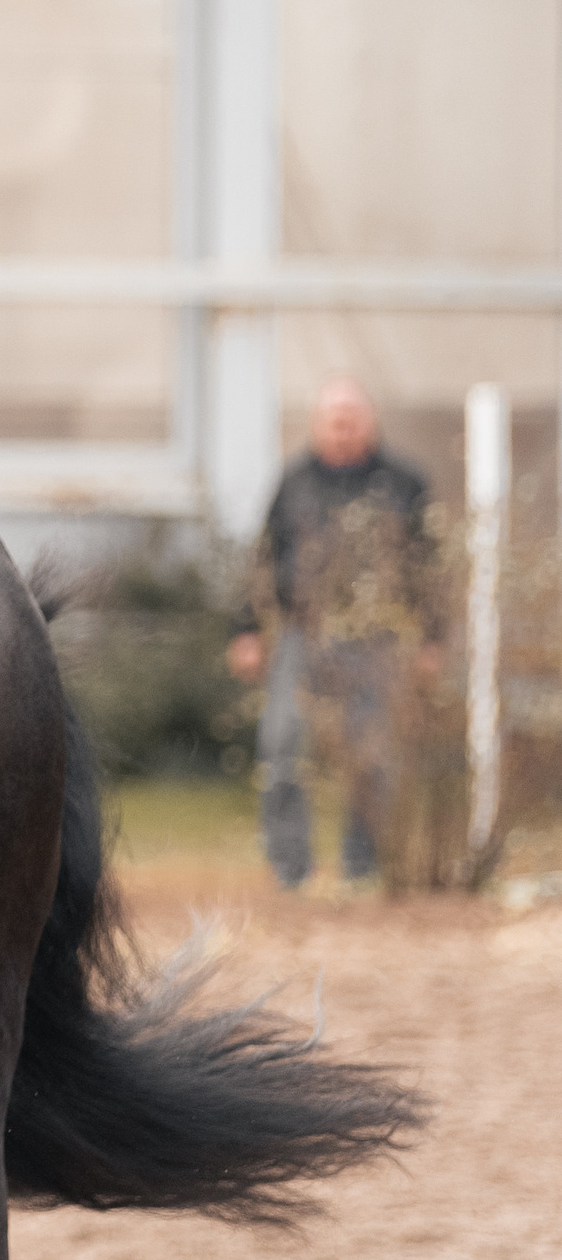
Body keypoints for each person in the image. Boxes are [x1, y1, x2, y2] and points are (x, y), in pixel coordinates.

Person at [226, 376, 443, 889]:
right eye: (334, 420)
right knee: (281, 745)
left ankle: (361, 869)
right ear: (318, 426)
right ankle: (290, 869)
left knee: (372, 757)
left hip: (376, 641)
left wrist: (433, 639)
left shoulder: (403, 483)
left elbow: (430, 568)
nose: (343, 429)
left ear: (370, 424)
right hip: (305, 636)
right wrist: (247, 630)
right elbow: (263, 557)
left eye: (351, 419)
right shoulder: (294, 480)